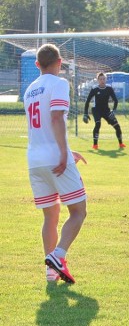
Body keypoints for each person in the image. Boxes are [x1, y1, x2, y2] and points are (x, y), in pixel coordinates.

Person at [25, 44, 88, 284]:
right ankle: (58, 256)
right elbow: (55, 118)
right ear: (60, 62)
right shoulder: (59, 84)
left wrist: (67, 150)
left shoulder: (30, 89)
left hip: (34, 160)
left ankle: (50, 272)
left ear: (37, 64)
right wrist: (63, 153)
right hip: (54, 158)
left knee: (50, 217)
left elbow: (38, 127)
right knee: (79, 211)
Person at [83, 72, 125, 150]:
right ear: (97, 80)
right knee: (98, 124)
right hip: (96, 110)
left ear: (105, 79)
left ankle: (121, 144)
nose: (102, 80)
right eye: (100, 79)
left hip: (106, 110)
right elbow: (87, 101)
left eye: (103, 79)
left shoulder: (109, 88)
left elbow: (116, 100)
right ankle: (95, 145)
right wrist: (85, 113)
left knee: (117, 126)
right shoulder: (94, 89)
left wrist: (114, 111)